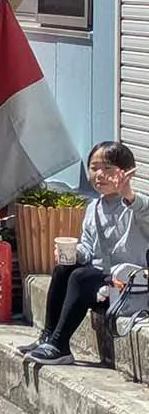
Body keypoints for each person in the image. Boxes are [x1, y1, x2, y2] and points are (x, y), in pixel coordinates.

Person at [26, 141, 144, 364]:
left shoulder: (136, 207)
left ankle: (60, 345)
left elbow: (143, 209)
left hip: (127, 289)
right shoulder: (93, 207)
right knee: (64, 269)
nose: (99, 175)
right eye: (94, 167)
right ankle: (48, 337)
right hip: (101, 285)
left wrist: (127, 193)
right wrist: (72, 253)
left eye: (108, 168)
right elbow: (88, 250)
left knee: (81, 276)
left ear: (126, 172)